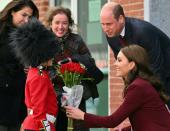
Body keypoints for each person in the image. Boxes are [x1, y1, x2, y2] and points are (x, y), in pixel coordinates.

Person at [100, 2, 170, 122]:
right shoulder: (111, 34)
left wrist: (160, 101)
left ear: (120, 18)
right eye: (102, 24)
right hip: (150, 71)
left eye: (109, 24)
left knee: (166, 116)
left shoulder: (142, 31)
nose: (105, 29)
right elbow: (123, 66)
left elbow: (157, 67)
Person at [65, 44, 170, 131]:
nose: (115, 64)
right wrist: (126, 128)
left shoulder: (138, 87)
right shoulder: (141, 84)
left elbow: (112, 121)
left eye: (119, 60)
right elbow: (149, 119)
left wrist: (82, 115)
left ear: (131, 65)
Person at [45, 7, 104, 131]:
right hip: (52, 97)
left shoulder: (76, 40)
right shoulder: (44, 42)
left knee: (78, 128)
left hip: (76, 96)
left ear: (69, 24)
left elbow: (89, 62)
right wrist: (61, 74)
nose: (61, 27)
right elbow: (42, 69)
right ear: (50, 23)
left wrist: (77, 66)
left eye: (64, 23)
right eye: (57, 23)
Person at [9, 18, 60, 131]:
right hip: (40, 126)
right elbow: (39, 111)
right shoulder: (40, 76)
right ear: (44, 54)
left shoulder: (35, 72)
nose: (53, 57)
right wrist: (46, 129)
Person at [0, 0, 39, 131]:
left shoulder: (27, 36)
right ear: (12, 12)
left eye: (30, 17)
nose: (27, 20)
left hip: (19, 100)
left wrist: (29, 69)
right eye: (24, 15)